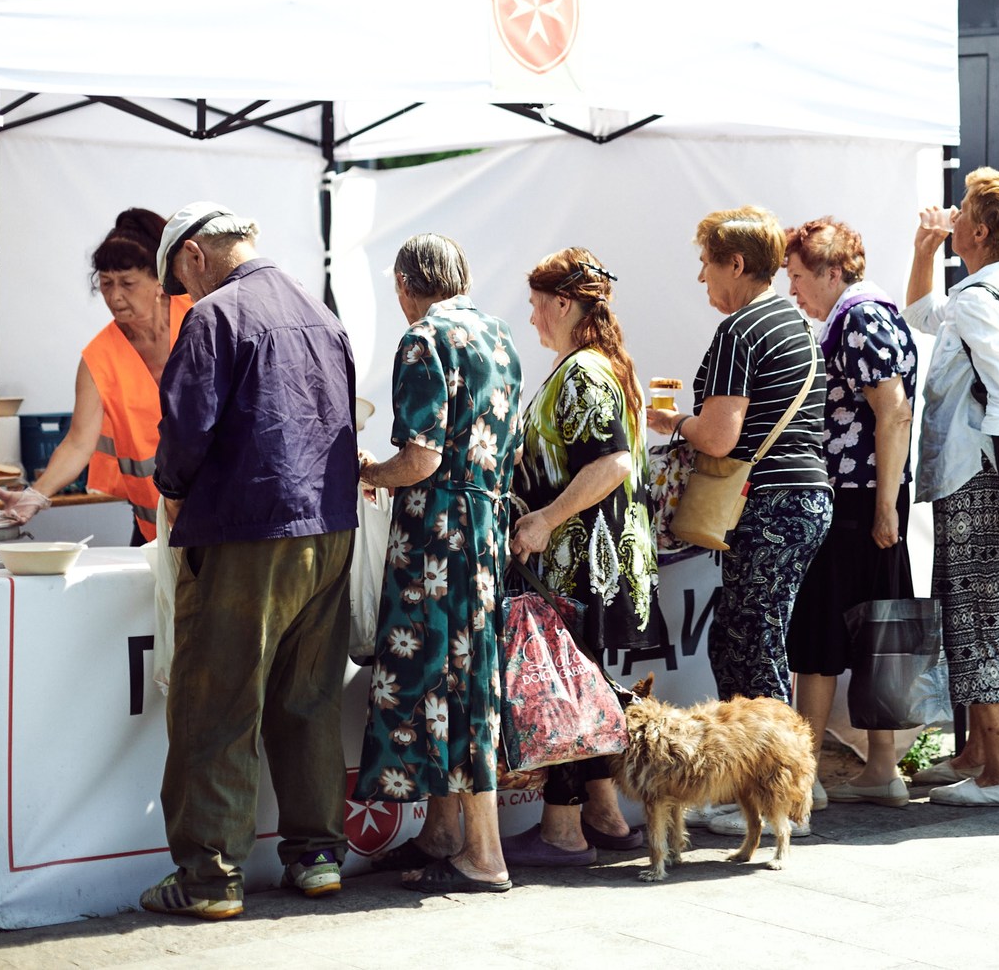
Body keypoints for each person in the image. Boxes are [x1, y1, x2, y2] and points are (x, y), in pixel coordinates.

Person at [141, 203, 358, 920]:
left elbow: (185, 431)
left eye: (179, 278)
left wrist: (170, 488)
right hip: (327, 526)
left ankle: (210, 875)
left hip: (246, 527)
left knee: (218, 702)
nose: (184, 295)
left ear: (196, 254)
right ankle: (319, 855)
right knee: (309, 697)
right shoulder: (320, 312)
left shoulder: (214, 317)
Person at [355, 234, 524, 894]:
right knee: (468, 676)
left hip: (438, 537)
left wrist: (371, 468)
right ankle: (444, 834)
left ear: (404, 284)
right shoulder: (499, 335)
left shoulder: (424, 339)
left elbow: (420, 458)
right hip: (483, 531)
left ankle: (483, 852)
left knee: (447, 681)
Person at [502, 247, 661, 866]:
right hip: (595, 560)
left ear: (563, 303)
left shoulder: (582, 372)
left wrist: (543, 518)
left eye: (538, 306)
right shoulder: (600, 365)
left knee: (569, 688)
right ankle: (606, 818)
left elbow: (613, 461)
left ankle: (562, 831)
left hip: (583, 562)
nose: (534, 319)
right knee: (587, 685)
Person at [645, 207, 829, 723]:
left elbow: (719, 438)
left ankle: (776, 791)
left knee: (754, 649)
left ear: (736, 264)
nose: (701, 275)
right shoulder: (795, 322)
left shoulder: (739, 331)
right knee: (741, 640)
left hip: (768, 503)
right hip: (803, 498)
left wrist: (675, 422)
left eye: (707, 262)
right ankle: (763, 784)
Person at [902, 168, 999, 808]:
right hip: (977, 476)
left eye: (961, 211)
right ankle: (976, 754)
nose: (952, 215)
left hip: (977, 479)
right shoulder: (996, 289)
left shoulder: (981, 298)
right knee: (971, 614)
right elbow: (920, 316)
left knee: (975, 618)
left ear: (981, 231)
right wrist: (924, 252)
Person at [781, 217, 920, 807]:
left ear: (832, 270)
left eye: (797, 276)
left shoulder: (859, 316)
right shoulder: (867, 312)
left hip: (856, 497)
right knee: (878, 629)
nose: (793, 291)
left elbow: (893, 410)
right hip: (871, 493)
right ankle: (881, 767)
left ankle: (806, 774)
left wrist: (884, 506)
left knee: (820, 633)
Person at [0, 209, 191, 545]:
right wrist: (35, 495)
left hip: (218, 521)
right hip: (154, 529)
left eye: (127, 283)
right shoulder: (98, 359)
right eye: (105, 283)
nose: (114, 296)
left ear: (160, 281)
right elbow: (77, 442)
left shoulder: (199, 319)